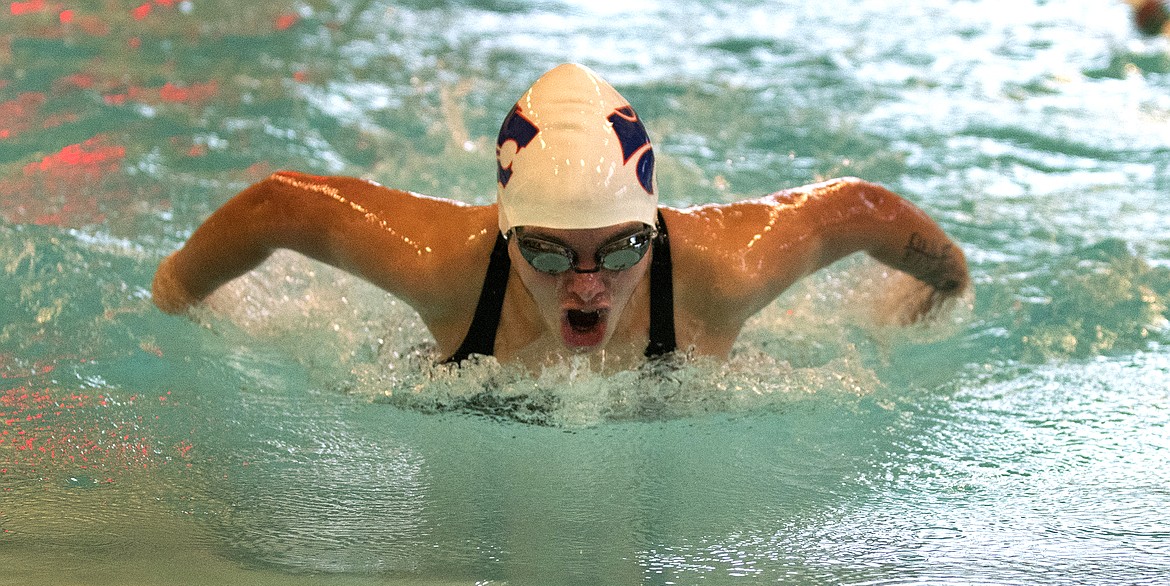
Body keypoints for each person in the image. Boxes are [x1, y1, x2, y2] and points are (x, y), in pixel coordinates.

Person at [152, 63, 970, 372]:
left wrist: (944, 290)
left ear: (654, 231)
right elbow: (281, 204)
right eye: (548, 254)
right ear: (506, 233)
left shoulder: (722, 272)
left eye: (619, 252)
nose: (586, 285)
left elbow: (858, 209)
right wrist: (177, 297)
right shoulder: (449, 267)